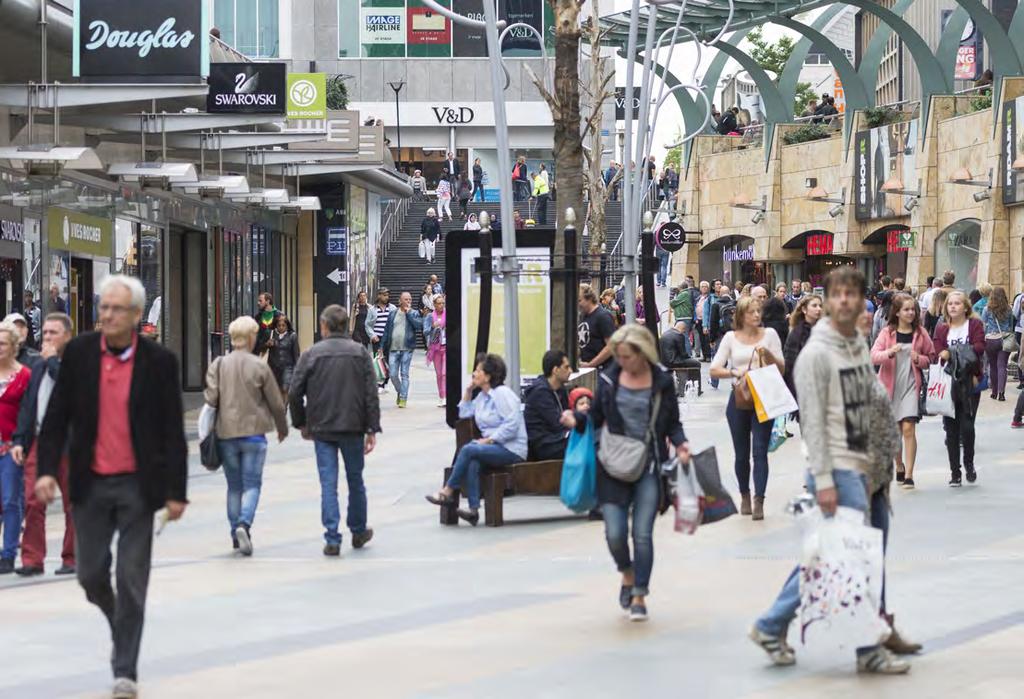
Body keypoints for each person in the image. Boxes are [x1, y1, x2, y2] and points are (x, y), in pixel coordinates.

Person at [749, 266, 914, 675]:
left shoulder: (854, 345)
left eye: (852, 295)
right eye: (837, 294)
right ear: (826, 301)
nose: (845, 301)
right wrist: (824, 480)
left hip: (869, 467)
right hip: (839, 467)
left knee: (849, 555)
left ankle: (775, 624)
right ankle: (866, 648)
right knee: (847, 558)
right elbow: (815, 423)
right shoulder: (817, 355)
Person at [34, 275, 188, 698]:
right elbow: (57, 419)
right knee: (90, 574)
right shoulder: (81, 354)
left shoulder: (159, 363)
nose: (106, 315)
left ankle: (125, 670)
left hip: (140, 487)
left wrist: (177, 491)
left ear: (137, 315)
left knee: (133, 578)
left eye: (116, 309)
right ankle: (119, 617)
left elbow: (173, 432)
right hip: (91, 483)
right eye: (103, 307)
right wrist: (47, 470)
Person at [561, 324, 689, 622]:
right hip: (612, 463)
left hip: (649, 464)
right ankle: (627, 573)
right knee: (615, 533)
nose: (622, 361)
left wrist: (681, 445)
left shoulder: (661, 381)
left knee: (642, 534)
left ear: (642, 353)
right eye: (618, 356)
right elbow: (595, 417)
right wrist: (576, 419)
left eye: (627, 356)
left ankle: (640, 594)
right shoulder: (610, 378)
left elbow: (673, 422)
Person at [290, 304, 379, 556]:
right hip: (352, 427)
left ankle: (332, 536)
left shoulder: (311, 354)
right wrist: (371, 428)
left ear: (324, 326)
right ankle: (358, 529)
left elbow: (295, 392)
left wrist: (302, 423)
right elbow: (370, 393)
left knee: (328, 483)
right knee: (355, 480)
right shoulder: (359, 353)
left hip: (322, 427)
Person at [205, 316, 288, 556]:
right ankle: (244, 523)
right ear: (251, 338)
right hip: (254, 434)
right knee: (252, 484)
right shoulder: (259, 366)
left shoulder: (218, 365)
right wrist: (282, 428)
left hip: (226, 433)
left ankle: (234, 533)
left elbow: (211, 399)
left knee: (234, 487)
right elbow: (275, 401)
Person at [426, 353, 527, 525]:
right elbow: (464, 414)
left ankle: (448, 491)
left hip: (511, 448)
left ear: (488, 376)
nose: (474, 374)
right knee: (473, 459)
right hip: (493, 448)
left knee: (469, 449)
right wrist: (468, 391)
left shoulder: (502, 394)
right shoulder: (482, 397)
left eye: (478, 371)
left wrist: (489, 440)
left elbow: (512, 424)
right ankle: (473, 510)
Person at [11, 313, 75, 577]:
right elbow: (28, 405)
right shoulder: (36, 366)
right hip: (40, 440)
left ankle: (72, 558)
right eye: (45, 333)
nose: (47, 337)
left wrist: (51, 361)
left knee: (74, 503)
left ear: (67, 337)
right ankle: (32, 559)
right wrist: (19, 440)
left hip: (69, 443)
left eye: (53, 333)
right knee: (32, 501)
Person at [709, 296, 784, 520]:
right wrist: (734, 372)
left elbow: (781, 368)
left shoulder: (770, 335)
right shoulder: (731, 338)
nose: (756, 315)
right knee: (741, 454)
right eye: (751, 312)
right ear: (741, 315)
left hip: (763, 397)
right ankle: (744, 494)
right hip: (739, 397)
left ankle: (759, 499)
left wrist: (767, 355)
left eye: (758, 311)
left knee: (760, 450)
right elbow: (714, 368)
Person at [871, 293, 934, 489]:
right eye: (906, 309)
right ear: (897, 312)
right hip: (890, 386)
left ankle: (909, 475)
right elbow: (873, 356)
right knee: (895, 431)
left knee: (908, 428)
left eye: (913, 309)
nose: (910, 313)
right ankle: (899, 464)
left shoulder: (921, 333)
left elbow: (930, 357)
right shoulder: (887, 333)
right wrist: (889, 353)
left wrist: (919, 359)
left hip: (910, 386)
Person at [933, 290, 985, 486]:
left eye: (957, 303)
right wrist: (950, 353)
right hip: (949, 382)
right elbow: (937, 350)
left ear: (965, 307)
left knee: (968, 427)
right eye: (950, 304)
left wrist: (953, 351)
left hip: (969, 380)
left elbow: (980, 346)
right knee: (951, 430)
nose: (953, 306)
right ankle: (955, 472)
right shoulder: (941, 328)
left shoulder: (975, 325)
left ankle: (969, 464)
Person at [0, 320, 33, 575]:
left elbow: (28, 413)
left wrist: (22, 442)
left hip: (12, 446)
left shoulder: (24, 375)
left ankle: (8, 554)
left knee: (11, 499)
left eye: (2, 343)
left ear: (13, 346)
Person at [523, 349, 572, 460]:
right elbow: (558, 423)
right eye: (566, 367)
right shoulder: (540, 392)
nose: (570, 371)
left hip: (557, 439)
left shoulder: (561, 390)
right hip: (542, 445)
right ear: (555, 370)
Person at [783, 294, 823, 399]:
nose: (819, 309)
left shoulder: (826, 331)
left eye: (820, 306)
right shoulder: (797, 334)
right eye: (814, 306)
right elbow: (790, 364)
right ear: (804, 309)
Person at [382, 292, 417, 408]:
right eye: (406, 299)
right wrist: (381, 347)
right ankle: (400, 391)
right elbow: (386, 331)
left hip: (407, 349)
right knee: (392, 374)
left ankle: (403, 398)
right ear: (400, 301)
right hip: (393, 349)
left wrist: (409, 314)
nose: (408, 302)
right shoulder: (392, 314)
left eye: (410, 300)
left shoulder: (414, 313)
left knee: (404, 374)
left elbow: (418, 326)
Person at [981, 286, 1013, 401]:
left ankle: (994, 392)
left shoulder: (987, 309)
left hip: (990, 339)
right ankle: (1001, 393)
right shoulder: (1009, 309)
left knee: (993, 366)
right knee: (1002, 366)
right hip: (1004, 339)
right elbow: (1010, 325)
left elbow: (983, 325)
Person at [579, 285, 616, 370]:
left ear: (589, 299)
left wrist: (591, 364)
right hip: (586, 368)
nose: (578, 304)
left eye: (580, 300)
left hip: (602, 369)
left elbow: (611, 346)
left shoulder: (603, 316)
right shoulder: (582, 316)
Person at [365, 289, 395, 393]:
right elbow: (367, 324)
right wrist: (372, 335)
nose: (386, 297)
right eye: (384, 295)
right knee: (379, 362)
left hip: (389, 339)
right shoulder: (372, 309)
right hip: (377, 339)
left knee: (388, 362)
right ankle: (379, 384)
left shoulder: (392, 308)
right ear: (379, 296)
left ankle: (385, 382)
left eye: (387, 295)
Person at [268, 314, 300, 405]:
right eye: (279, 325)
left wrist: (298, 370)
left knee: (285, 388)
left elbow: (296, 354)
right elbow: (261, 349)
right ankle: (279, 407)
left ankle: (284, 409)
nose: (281, 327)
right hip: (274, 367)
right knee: (276, 390)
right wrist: (267, 344)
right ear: (276, 325)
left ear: (287, 325)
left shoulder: (292, 336)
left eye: (283, 325)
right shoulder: (272, 335)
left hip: (288, 367)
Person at [424, 294, 447, 408]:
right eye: (439, 303)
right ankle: (441, 396)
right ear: (434, 305)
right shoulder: (430, 316)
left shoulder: (448, 314)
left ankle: (446, 397)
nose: (441, 305)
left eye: (443, 303)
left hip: (446, 346)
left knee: (444, 373)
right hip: (435, 348)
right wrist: (433, 326)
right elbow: (425, 331)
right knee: (439, 374)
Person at [253, 292, 281, 358]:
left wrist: (275, 342)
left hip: (275, 356)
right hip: (259, 355)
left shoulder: (280, 316)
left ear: (267, 301)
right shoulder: (258, 317)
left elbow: (286, 336)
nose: (258, 303)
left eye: (260, 301)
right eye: (258, 301)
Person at [694, 281, 713, 360]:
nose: (704, 288)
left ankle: (708, 356)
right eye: (702, 286)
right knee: (701, 339)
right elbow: (695, 308)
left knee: (706, 339)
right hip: (699, 320)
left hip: (706, 320)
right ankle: (704, 355)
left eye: (705, 286)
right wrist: (695, 319)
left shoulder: (710, 297)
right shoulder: (698, 298)